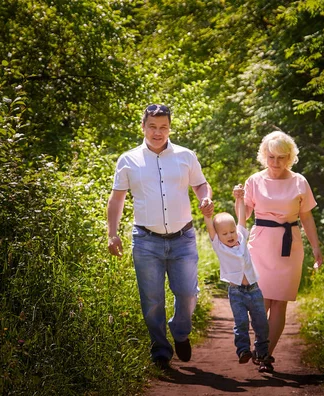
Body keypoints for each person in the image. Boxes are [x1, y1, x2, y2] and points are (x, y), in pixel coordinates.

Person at [106, 104, 214, 370]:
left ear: (169, 127)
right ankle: (161, 351)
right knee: (152, 300)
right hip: (146, 240)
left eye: (163, 127)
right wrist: (112, 234)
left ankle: (180, 331)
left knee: (188, 294)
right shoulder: (128, 159)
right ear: (143, 127)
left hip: (183, 238)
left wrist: (206, 197)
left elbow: (200, 184)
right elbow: (117, 197)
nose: (158, 132)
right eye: (152, 127)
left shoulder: (185, 156)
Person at [241, 131, 323, 367]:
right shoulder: (254, 181)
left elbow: (306, 217)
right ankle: (260, 344)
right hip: (261, 244)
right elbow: (244, 215)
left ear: (290, 158)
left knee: (279, 302)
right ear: (263, 156)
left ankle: (265, 354)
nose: (275, 162)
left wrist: (316, 247)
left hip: (290, 245)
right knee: (261, 300)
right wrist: (238, 200)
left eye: (281, 157)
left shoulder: (299, 181)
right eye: (271, 157)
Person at [203, 185, 272, 373]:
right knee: (241, 322)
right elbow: (209, 224)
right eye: (224, 234)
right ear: (218, 236)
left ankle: (262, 352)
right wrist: (206, 213)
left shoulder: (241, 235)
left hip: (254, 289)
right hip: (236, 292)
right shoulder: (219, 245)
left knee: (261, 323)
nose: (230, 236)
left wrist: (240, 198)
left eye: (231, 231)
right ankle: (243, 350)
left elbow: (242, 217)